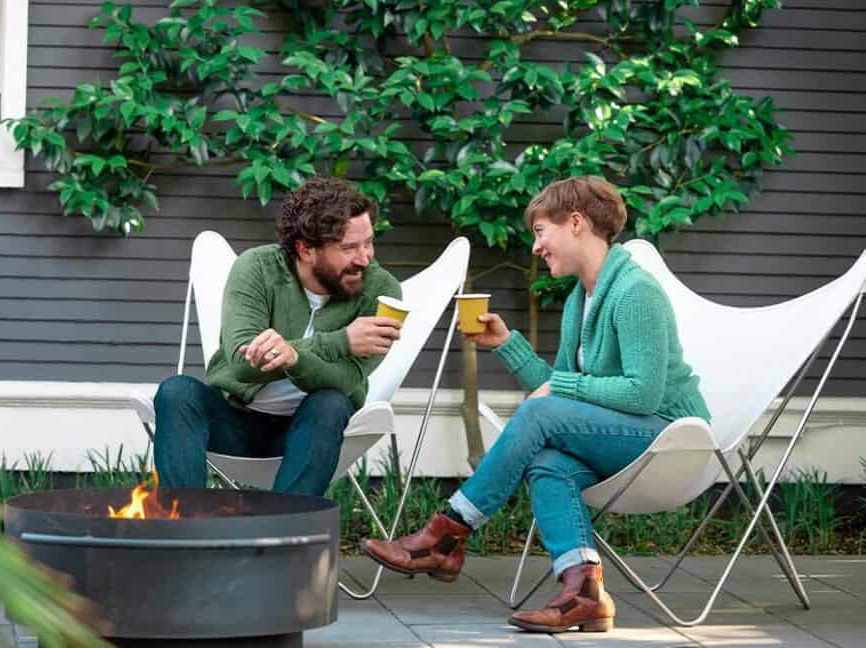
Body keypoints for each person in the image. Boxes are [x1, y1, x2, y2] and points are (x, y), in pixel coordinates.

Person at [360, 176, 710, 633]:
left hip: (670, 439)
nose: (536, 247)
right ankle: (584, 591)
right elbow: (560, 392)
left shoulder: (635, 292)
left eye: (541, 231)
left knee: (538, 415)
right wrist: (506, 344)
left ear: (577, 223)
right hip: (625, 437)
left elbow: (640, 393)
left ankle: (446, 535)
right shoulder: (578, 302)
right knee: (548, 461)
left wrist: (563, 388)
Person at [153, 176, 403, 496]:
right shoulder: (257, 268)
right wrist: (339, 341)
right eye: (348, 247)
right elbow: (243, 364)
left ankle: (284, 536)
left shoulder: (381, 292)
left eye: (368, 242)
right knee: (176, 392)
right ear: (306, 249)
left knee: (331, 402)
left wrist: (294, 355)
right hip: (236, 422)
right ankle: (184, 532)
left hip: (310, 432)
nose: (365, 257)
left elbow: (347, 380)